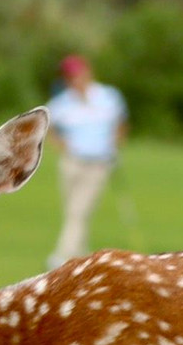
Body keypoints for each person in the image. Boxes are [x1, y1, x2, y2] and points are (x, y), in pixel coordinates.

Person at [46, 54, 127, 267]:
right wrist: (62, 146)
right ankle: (80, 257)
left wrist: (115, 145)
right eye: (69, 76)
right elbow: (48, 127)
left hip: (99, 163)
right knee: (73, 210)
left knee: (79, 210)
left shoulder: (108, 96)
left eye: (76, 74)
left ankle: (61, 257)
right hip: (72, 162)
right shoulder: (61, 102)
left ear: (87, 72)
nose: (73, 79)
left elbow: (121, 123)